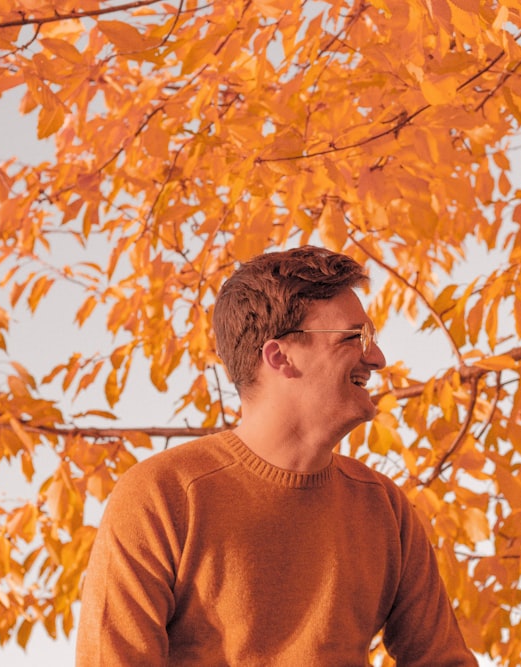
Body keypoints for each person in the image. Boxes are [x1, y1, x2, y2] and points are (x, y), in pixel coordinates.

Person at [75, 245, 477, 666]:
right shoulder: (162, 496)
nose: (376, 358)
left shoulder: (385, 508)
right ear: (280, 357)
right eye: (354, 338)